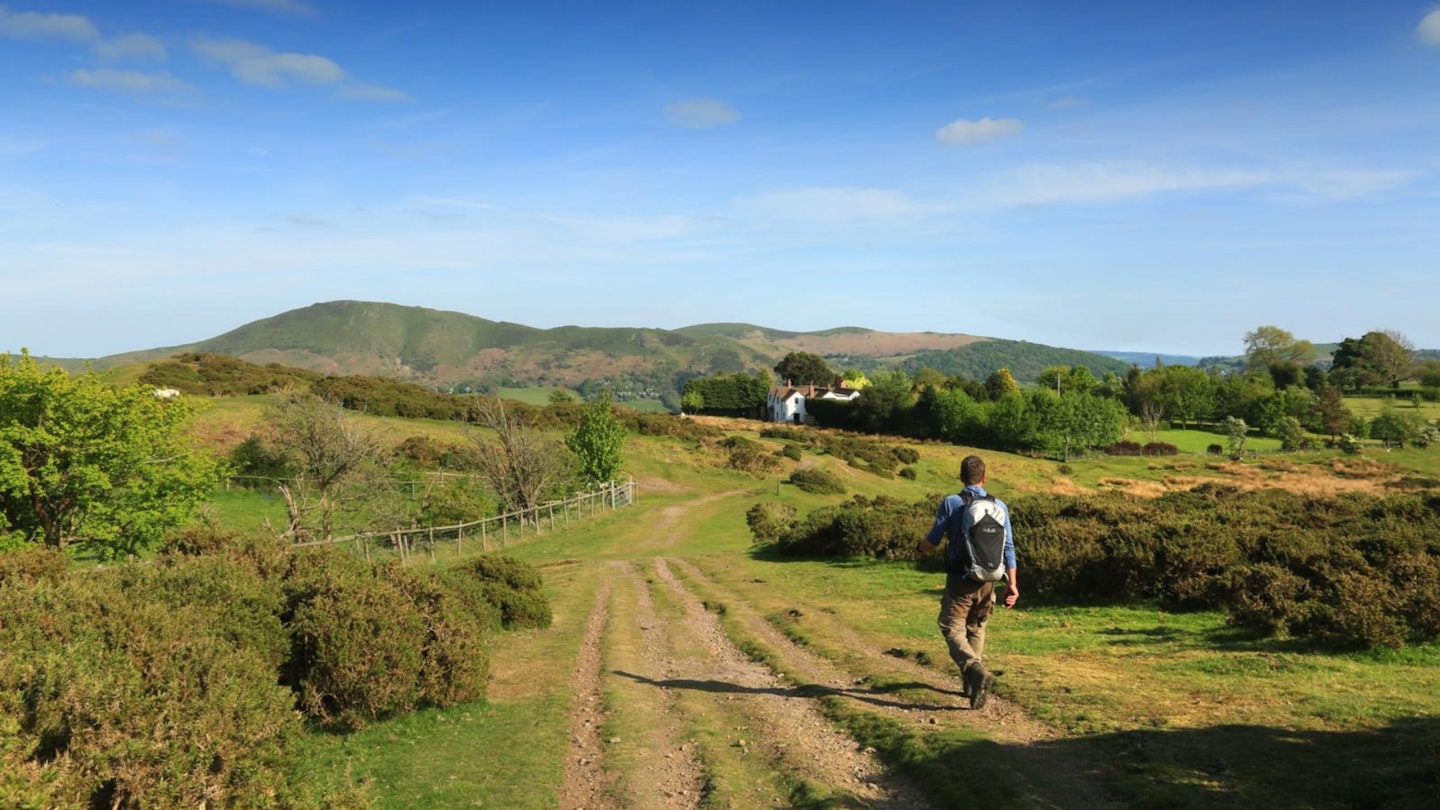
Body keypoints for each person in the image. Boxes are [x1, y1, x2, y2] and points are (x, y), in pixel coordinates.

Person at [915, 454, 1018, 709]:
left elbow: (933, 540)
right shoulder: (1000, 506)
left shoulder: (952, 503)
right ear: (984, 478)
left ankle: (974, 669)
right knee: (976, 627)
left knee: (951, 627)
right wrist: (1012, 584)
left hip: (960, 579)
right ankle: (971, 687)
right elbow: (1008, 548)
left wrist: (919, 550)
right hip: (989, 581)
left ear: (961, 477)